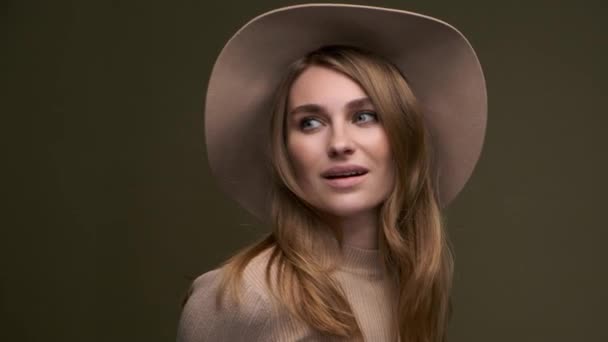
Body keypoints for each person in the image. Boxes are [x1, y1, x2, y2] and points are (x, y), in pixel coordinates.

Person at [177, 4, 486, 342]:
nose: (339, 143)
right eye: (310, 123)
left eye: (364, 116)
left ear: (403, 134)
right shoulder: (244, 297)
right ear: (285, 150)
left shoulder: (411, 286)